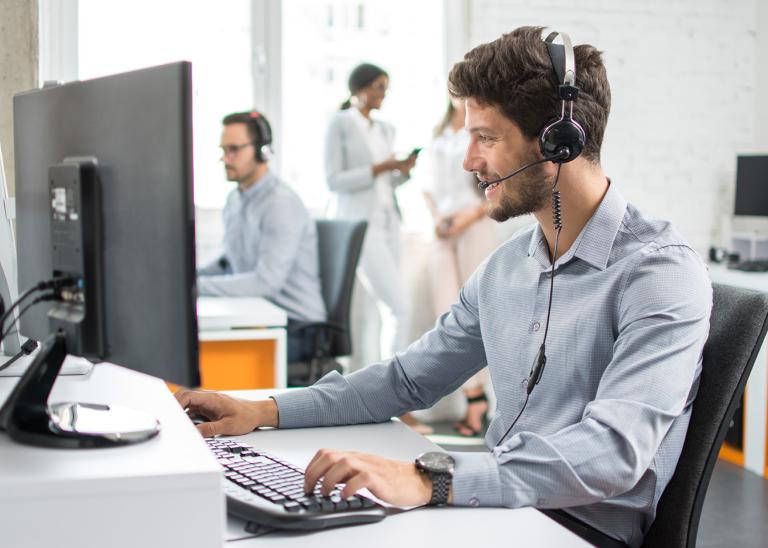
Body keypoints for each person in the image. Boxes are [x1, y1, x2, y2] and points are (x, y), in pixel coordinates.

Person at [177, 28, 712, 547]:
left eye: (486, 137)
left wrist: (430, 478)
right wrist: (264, 411)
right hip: (495, 512)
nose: (468, 161)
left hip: (576, 530)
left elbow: (612, 454)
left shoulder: (659, 273)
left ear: (558, 141)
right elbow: (407, 381)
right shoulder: (507, 268)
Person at [324, 63, 428, 433]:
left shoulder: (385, 128)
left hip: (388, 223)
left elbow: (388, 185)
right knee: (397, 307)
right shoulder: (340, 123)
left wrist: (402, 171)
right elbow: (334, 180)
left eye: (386, 87)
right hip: (359, 226)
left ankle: (365, 401)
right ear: (360, 88)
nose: (383, 94)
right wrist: (382, 166)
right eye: (378, 87)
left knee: (373, 316)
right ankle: (395, 399)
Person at [197, 110, 326, 363]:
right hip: (259, 317)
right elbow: (228, 261)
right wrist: (189, 277)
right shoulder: (235, 199)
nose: (226, 158)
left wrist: (195, 289)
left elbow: (266, 282)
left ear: (262, 151)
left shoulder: (280, 204)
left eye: (234, 149)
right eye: (223, 150)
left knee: (209, 361)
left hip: (297, 328)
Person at [423, 97, 498, 437]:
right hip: (445, 227)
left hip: (474, 222)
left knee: (477, 310)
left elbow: (497, 179)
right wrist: (438, 218)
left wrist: (468, 217)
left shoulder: (481, 130)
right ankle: (474, 395)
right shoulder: (439, 131)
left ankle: (478, 401)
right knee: (448, 314)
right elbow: (427, 185)